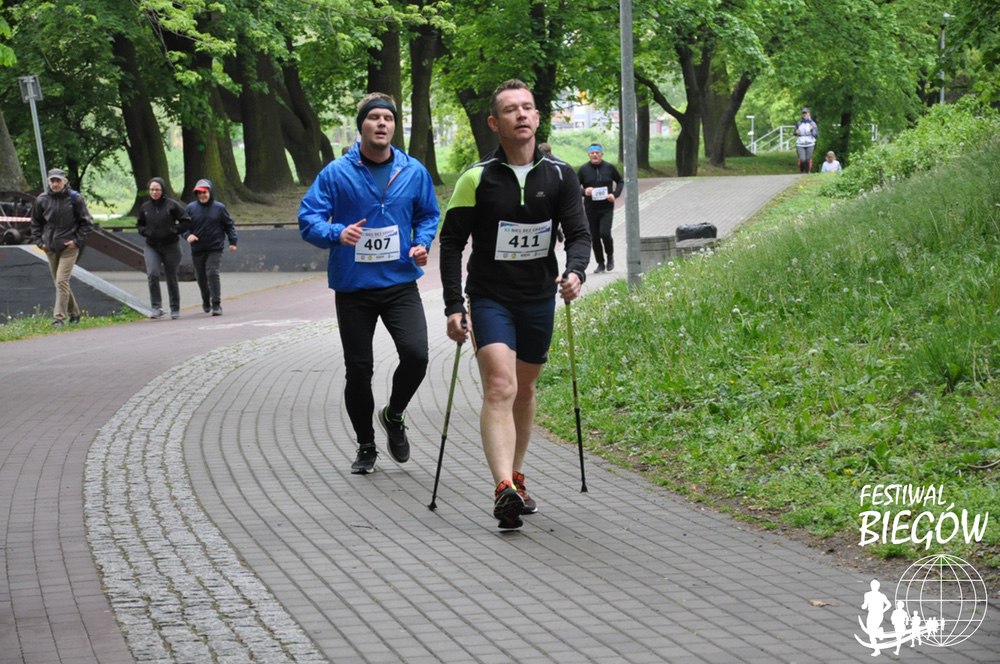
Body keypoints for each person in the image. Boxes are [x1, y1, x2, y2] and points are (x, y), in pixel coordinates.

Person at [439, 79, 591, 530]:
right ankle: (502, 487)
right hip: (490, 298)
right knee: (500, 386)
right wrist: (453, 305)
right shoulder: (476, 178)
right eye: (510, 109)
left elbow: (579, 234)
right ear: (494, 122)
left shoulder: (560, 175)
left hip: (539, 297)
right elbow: (451, 244)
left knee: (524, 390)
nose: (521, 114)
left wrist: (575, 272)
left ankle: (518, 476)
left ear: (538, 117)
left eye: (528, 107)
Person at [299, 92, 440, 475]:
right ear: (361, 125)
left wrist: (422, 243)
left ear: (394, 125)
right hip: (354, 288)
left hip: (399, 282)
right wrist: (337, 233)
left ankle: (394, 414)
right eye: (374, 117)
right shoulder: (335, 173)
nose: (381, 123)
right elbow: (308, 219)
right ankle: (366, 445)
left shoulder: (413, 171)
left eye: (388, 118)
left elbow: (429, 214)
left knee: (417, 355)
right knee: (359, 371)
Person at [29, 168, 94, 327]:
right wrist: (40, 243)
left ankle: (58, 318)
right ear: (48, 182)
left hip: (69, 248)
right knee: (59, 283)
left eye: (58, 180)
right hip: (50, 248)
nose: (55, 184)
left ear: (65, 181)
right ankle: (75, 313)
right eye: (52, 180)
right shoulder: (42, 200)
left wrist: (76, 241)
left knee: (61, 281)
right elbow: (35, 223)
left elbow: (87, 223)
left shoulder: (75, 199)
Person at [136, 177, 191, 319]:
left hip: (171, 246)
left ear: (162, 190)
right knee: (153, 274)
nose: (154, 192)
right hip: (152, 246)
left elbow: (186, 221)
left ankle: (175, 308)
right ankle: (156, 307)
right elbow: (140, 224)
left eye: (157, 190)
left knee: (171, 276)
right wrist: (145, 231)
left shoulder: (172, 205)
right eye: (152, 190)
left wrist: (174, 230)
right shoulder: (145, 207)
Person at [184, 179, 237, 316]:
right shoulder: (190, 208)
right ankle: (205, 299)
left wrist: (233, 242)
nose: (202, 195)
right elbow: (183, 226)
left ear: (210, 192)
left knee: (212, 273)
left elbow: (229, 225)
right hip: (197, 248)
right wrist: (188, 235)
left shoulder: (219, 208)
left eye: (205, 192)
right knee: (200, 277)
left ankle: (216, 304)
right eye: (199, 193)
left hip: (215, 247)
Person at [577, 143, 623, 273]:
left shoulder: (609, 167)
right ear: (589, 154)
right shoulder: (583, 169)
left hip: (606, 207)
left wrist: (614, 194)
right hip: (591, 208)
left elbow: (620, 181)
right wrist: (584, 191)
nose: (595, 155)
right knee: (594, 237)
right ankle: (600, 263)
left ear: (602, 154)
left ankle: (610, 256)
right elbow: (574, 185)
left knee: (605, 233)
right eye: (592, 153)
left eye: (597, 153)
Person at [794, 107, 819, 173]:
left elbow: (816, 134)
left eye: (806, 113)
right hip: (800, 143)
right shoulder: (799, 123)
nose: (804, 114)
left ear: (809, 113)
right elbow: (794, 132)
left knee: (808, 159)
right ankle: (802, 170)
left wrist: (812, 129)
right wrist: (796, 132)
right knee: (802, 159)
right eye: (803, 113)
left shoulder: (812, 123)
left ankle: (807, 172)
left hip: (810, 143)